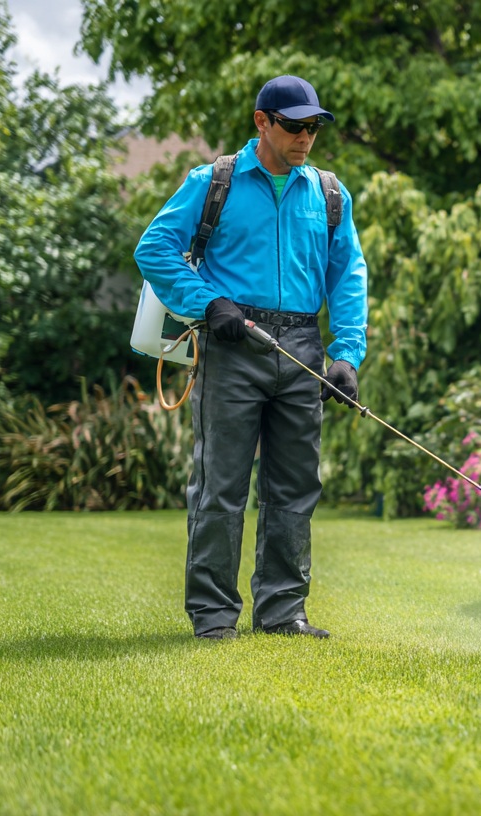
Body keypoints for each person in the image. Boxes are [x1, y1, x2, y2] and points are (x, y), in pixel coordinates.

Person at [134, 75, 368, 641]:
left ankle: (283, 612)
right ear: (262, 122)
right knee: (221, 487)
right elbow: (154, 248)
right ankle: (214, 616)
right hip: (234, 348)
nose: (306, 138)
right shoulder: (212, 182)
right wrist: (208, 301)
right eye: (294, 126)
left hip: (304, 349)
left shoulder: (330, 194)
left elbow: (348, 275)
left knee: (295, 488)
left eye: (313, 127)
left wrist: (346, 355)